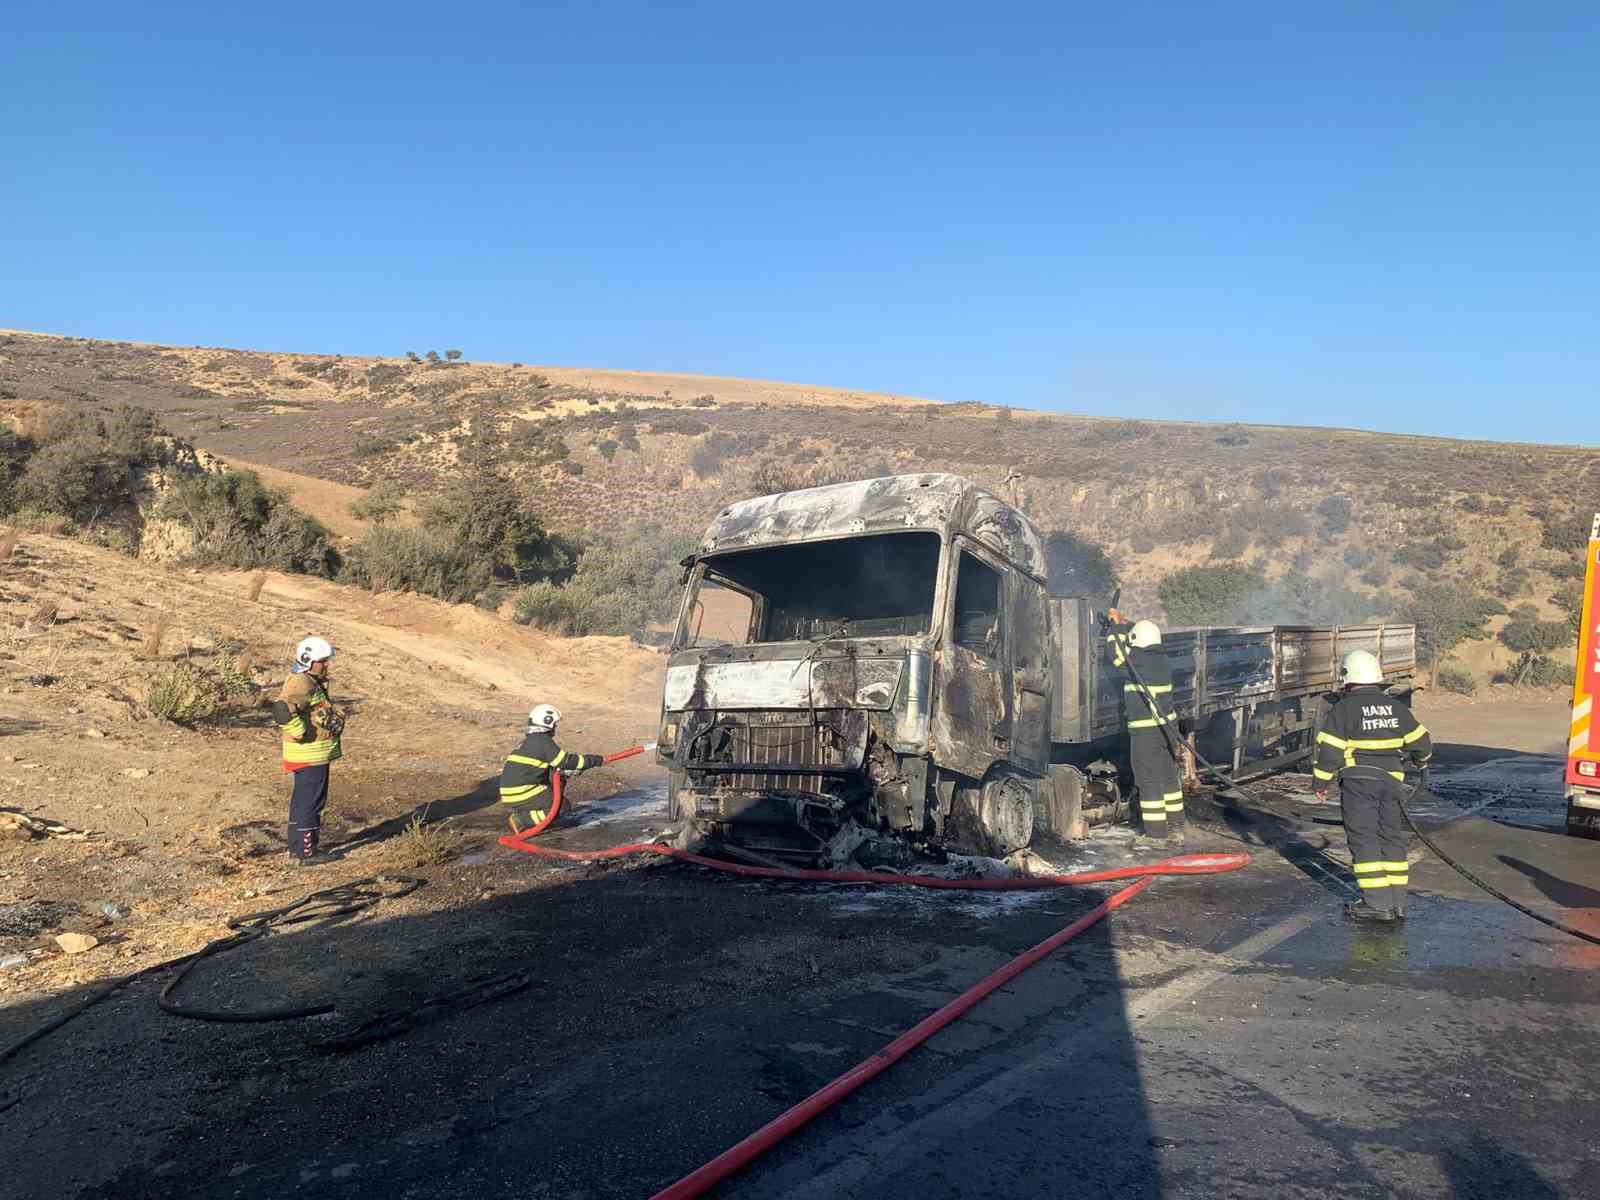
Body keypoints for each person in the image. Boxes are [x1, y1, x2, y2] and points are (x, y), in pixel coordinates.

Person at [1314, 650, 1432, 922]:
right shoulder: (1396, 707)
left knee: (1364, 838)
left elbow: (1330, 751)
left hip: (1358, 783)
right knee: (1391, 837)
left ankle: (1377, 904)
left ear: (1347, 678)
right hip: (1392, 783)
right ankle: (1396, 902)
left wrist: (1320, 782)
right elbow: (1422, 743)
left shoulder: (1343, 709)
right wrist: (1421, 762)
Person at [1105, 609, 1186, 842]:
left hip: (1146, 732)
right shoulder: (1162, 660)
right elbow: (1134, 644)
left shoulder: (1137, 661)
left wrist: (1115, 626)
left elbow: (1115, 652)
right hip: (1168, 729)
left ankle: (1156, 834)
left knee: (1148, 779)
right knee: (1169, 776)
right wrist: (1127, 624)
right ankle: (1177, 827)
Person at [271, 636, 346, 866]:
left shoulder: (308, 680)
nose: (326, 665)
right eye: (322, 661)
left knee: (302, 801)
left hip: (310, 754)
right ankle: (306, 852)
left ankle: (297, 848)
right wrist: (300, 731)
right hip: (309, 754)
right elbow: (282, 709)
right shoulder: (302, 682)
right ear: (309, 660)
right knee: (311, 803)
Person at [500, 704, 606, 835]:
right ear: (547, 721)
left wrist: (564, 771)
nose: (555, 727)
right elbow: (565, 760)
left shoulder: (530, 741)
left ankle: (532, 815)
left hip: (514, 792)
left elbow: (550, 765)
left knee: (557, 791)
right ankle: (522, 820)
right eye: (555, 723)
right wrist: (593, 760)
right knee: (561, 807)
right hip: (523, 792)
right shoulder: (541, 740)